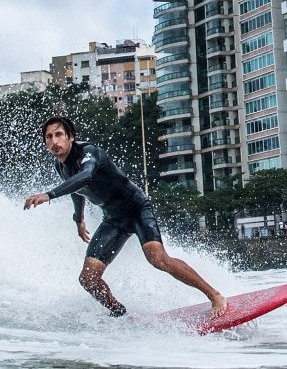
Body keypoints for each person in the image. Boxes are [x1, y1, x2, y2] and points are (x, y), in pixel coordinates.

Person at [24, 116, 227, 318]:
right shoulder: (61, 166)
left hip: (136, 208)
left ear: (71, 137)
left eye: (59, 134)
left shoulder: (88, 152)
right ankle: (119, 312)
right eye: (49, 137)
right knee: (88, 278)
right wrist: (78, 219)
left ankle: (215, 295)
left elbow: (85, 176)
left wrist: (49, 195)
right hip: (113, 219)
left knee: (158, 259)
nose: (54, 141)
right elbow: (77, 190)